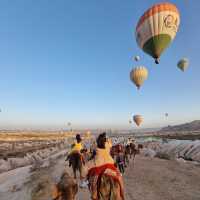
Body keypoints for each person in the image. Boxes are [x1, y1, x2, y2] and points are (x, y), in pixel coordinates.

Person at [82, 132, 124, 200]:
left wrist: (83, 175)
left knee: (93, 189)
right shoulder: (108, 145)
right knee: (119, 178)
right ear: (105, 141)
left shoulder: (95, 147)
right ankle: (122, 195)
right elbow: (110, 145)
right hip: (109, 162)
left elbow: (83, 173)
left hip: (97, 162)